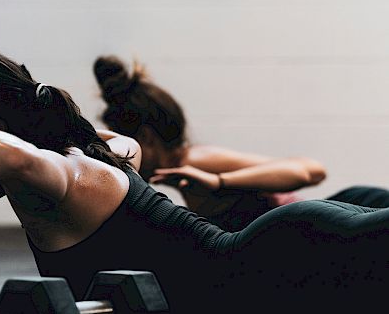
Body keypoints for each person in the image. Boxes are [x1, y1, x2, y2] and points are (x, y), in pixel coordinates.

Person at [0, 51, 389, 314]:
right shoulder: (105, 152)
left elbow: (15, 157)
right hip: (291, 270)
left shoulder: (61, 178)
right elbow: (32, 147)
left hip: (289, 267)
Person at [94, 56, 389, 231]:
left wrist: (219, 181)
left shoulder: (196, 161)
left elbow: (310, 171)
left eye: (120, 144)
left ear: (145, 138)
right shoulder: (184, 175)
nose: (117, 155)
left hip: (350, 214)